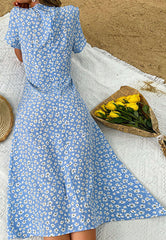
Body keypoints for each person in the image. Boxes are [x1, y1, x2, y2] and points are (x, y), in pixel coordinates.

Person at [4, 0, 166, 240]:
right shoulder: (70, 14)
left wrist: (25, 12)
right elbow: (77, 47)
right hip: (70, 113)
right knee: (80, 197)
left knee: (50, 202)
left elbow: (22, 58)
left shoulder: (19, 16)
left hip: (35, 116)